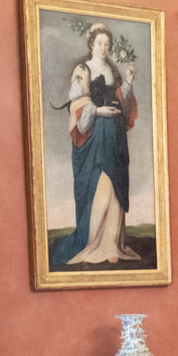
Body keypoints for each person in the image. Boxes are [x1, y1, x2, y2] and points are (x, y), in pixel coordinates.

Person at [50, 22, 142, 269]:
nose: (104, 47)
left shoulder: (113, 70)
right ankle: (93, 242)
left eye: (107, 44)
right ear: (92, 44)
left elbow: (123, 103)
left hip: (115, 135)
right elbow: (77, 101)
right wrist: (98, 111)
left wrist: (129, 82)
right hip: (96, 134)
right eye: (100, 43)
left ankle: (111, 244)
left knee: (115, 187)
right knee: (101, 183)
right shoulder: (83, 69)